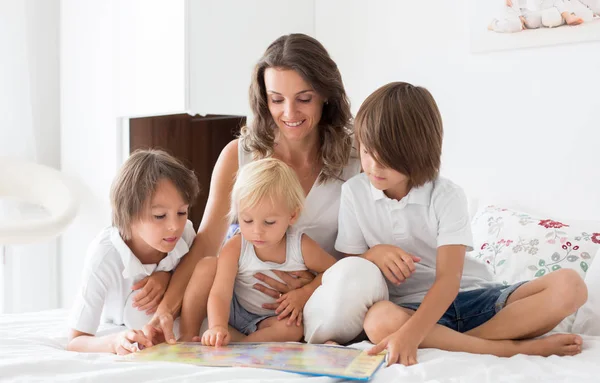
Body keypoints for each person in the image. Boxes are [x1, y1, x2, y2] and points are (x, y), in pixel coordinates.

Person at [143, 33, 393, 345]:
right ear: (264, 99)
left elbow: (365, 250)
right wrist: (167, 309)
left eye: (304, 99)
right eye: (277, 100)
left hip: (317, 300)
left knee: (356, 280)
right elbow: (207, 245)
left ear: (326, 95)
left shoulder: (357, 160)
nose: (289, 113)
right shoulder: (238, 156)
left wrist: (311, 285)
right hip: (239, 299)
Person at [332, 81, 587, 366]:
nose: (373, 168)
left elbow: (448, 281)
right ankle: (510, 349)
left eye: (387, 159)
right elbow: (349, 265)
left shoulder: (445, 195)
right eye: (367, 153)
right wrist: (374, 254)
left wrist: (412, 335)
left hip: (476, 298)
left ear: (418, 153)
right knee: (378, 319)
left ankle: (474, 343)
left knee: (571, 285)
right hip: (409, 308)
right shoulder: (354, 193)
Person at [180, 158, 336, 345]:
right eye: (247, 220)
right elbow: (220, 293)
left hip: (270, 320)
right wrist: (217, 326)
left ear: (292, 215)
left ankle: (244, 346)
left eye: (269, 222)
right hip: (233, 310)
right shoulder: (237, 246)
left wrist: (305, 293)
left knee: (293, 328)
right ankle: (189, 334)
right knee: (207, 266)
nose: (257, 231)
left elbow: (335, 272)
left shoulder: (300, 246)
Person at [67, 149, 203, 354]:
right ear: (129, 214)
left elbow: (197, 275)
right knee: (136, 311)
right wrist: (114, 342)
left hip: (175, 324)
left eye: (182, 212)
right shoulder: (105, 256)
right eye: (159, 216)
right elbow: (76, 340)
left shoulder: (185, 234)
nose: (175, 225)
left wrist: (167, 276)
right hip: (129, 323)